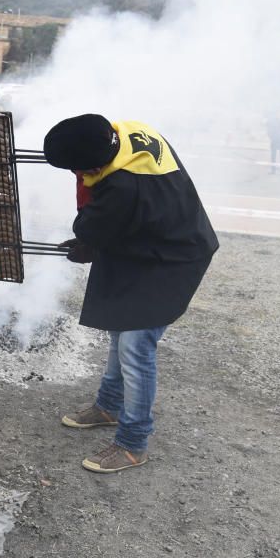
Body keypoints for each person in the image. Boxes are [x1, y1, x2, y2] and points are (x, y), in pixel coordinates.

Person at [43, 114, 218, 473]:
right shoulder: (131, 132)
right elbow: (121, 219)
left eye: (75, 169)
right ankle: (109, 406)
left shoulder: (122, 186)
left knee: (136, 346)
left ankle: (133, 443)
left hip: (176, 257)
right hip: (151, 244)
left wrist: (87, 242)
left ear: (91, 162)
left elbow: (92, 225)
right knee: (120, 327)